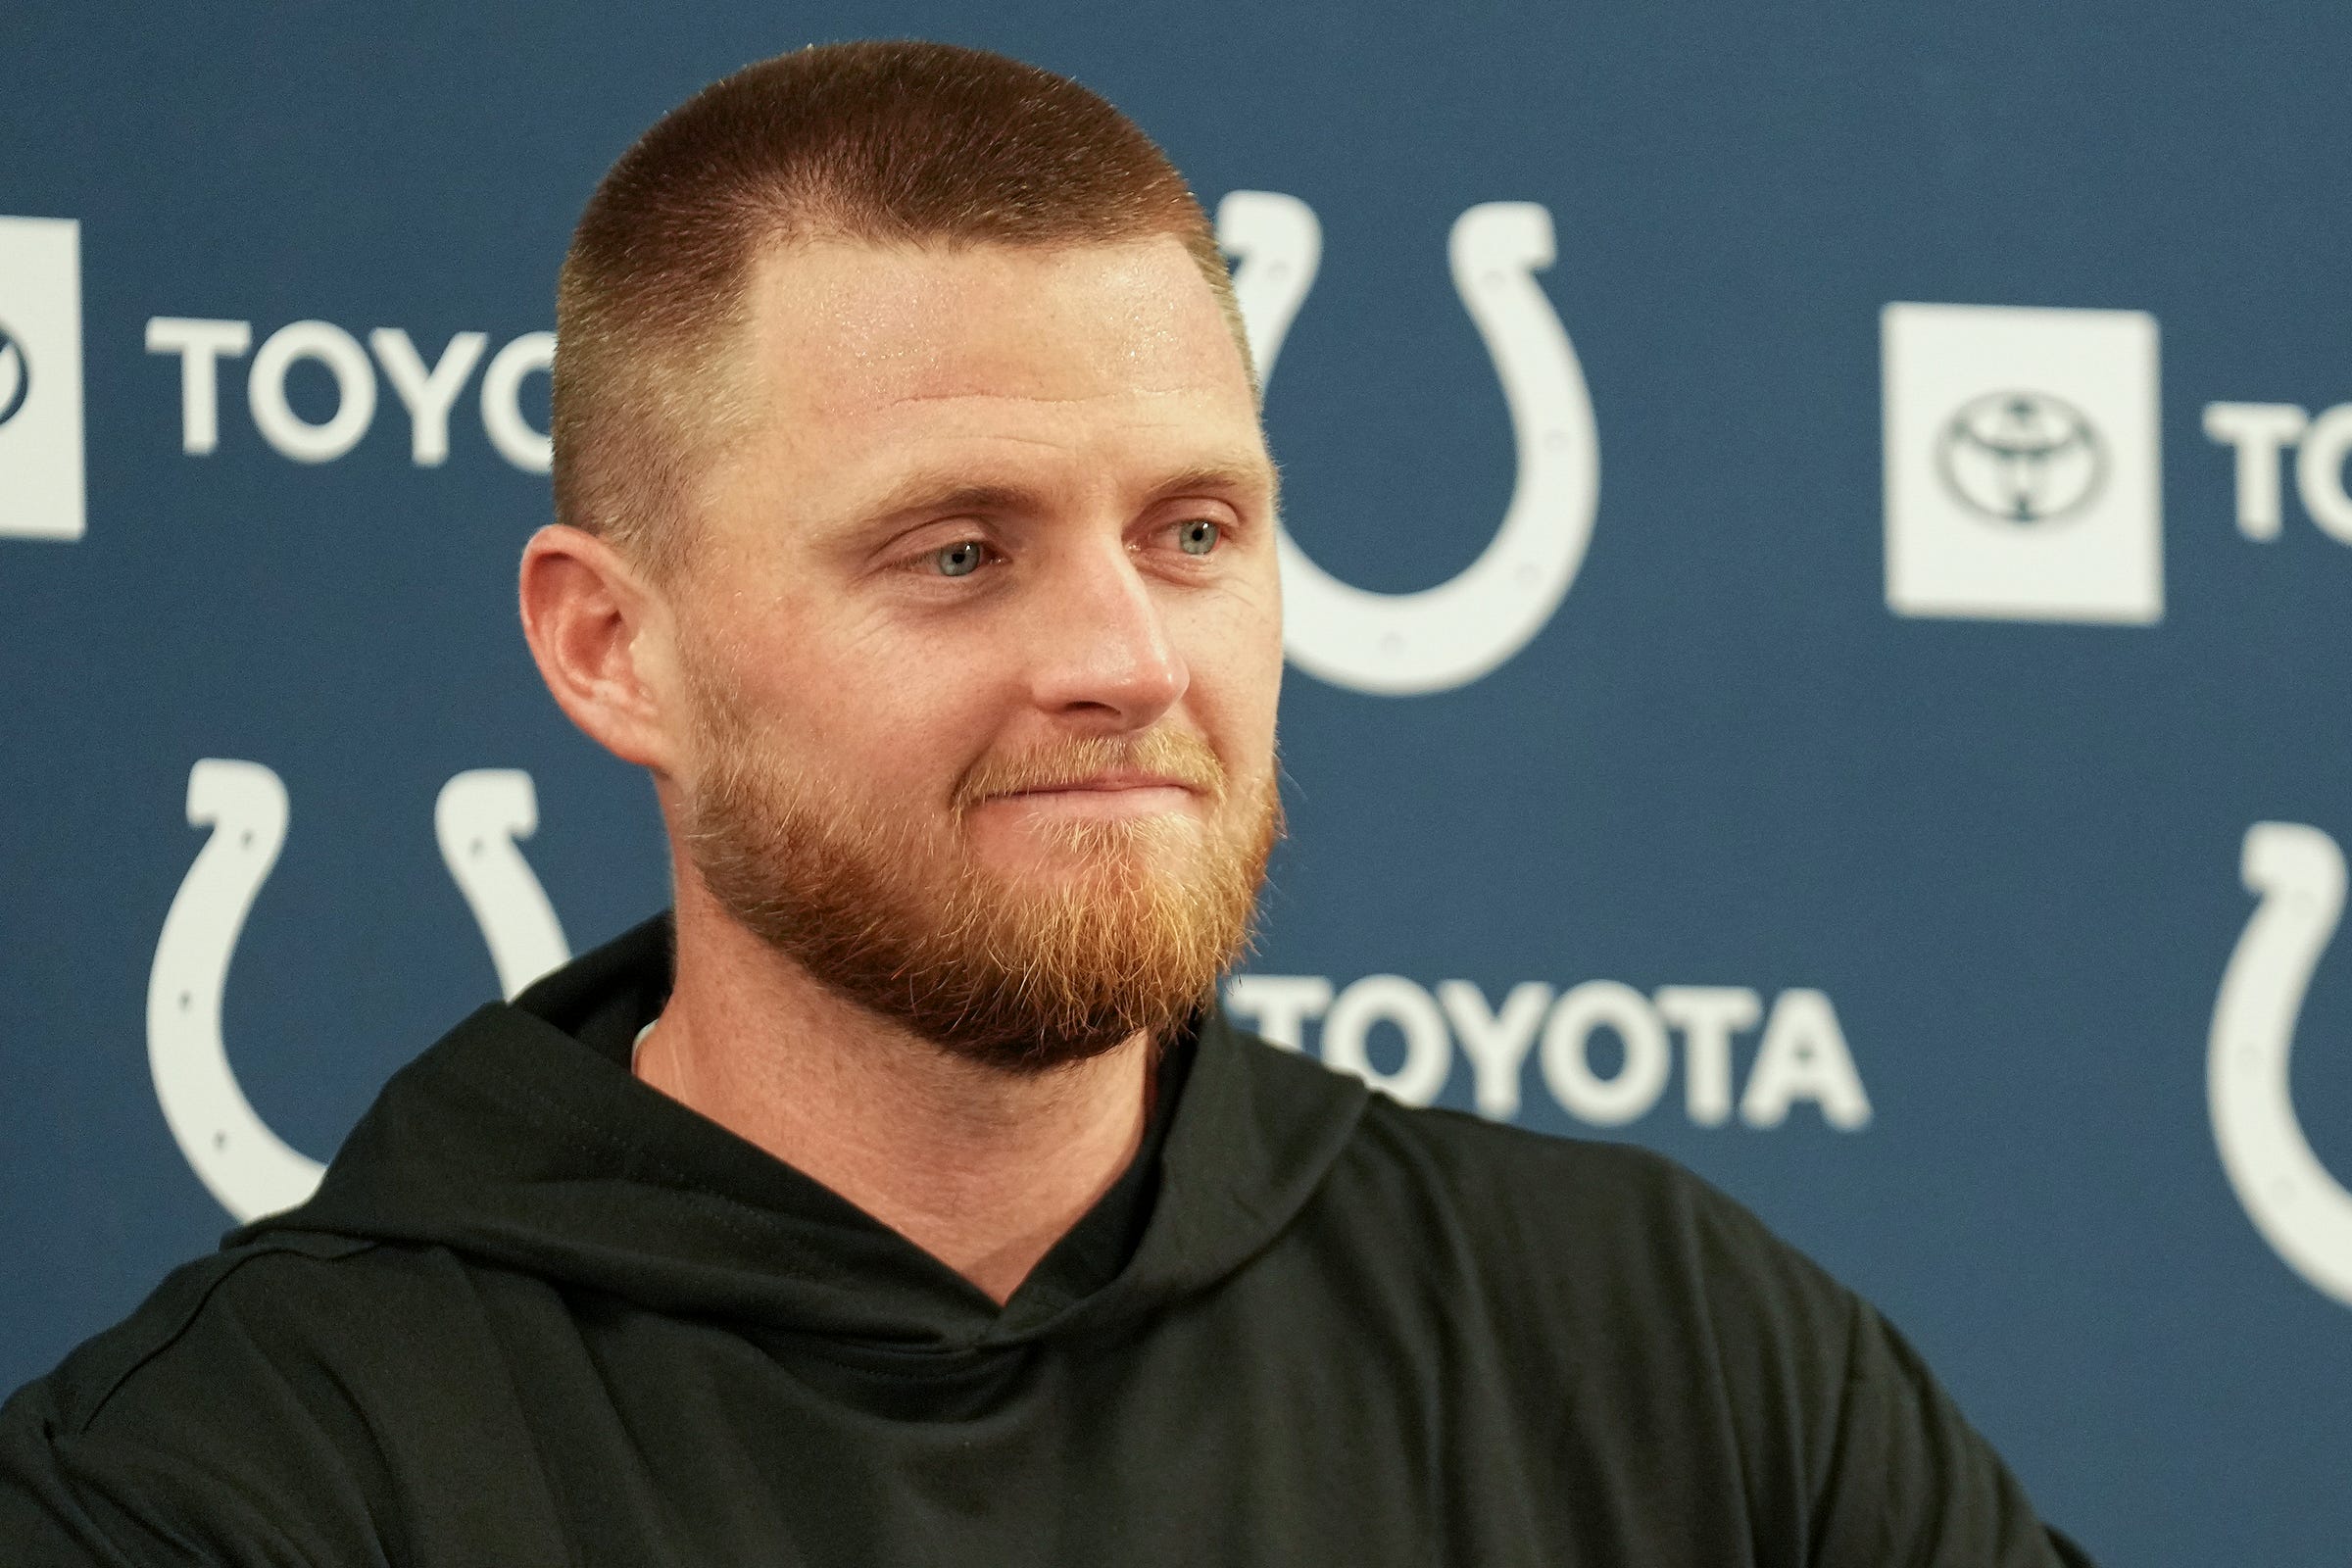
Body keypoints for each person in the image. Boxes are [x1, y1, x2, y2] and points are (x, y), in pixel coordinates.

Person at [0, 40, 2093, 1566]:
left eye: (1193, 530)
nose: (1128, 655)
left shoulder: (1672, 1354)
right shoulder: (228, 1480)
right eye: (956, 550)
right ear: (609, 650)